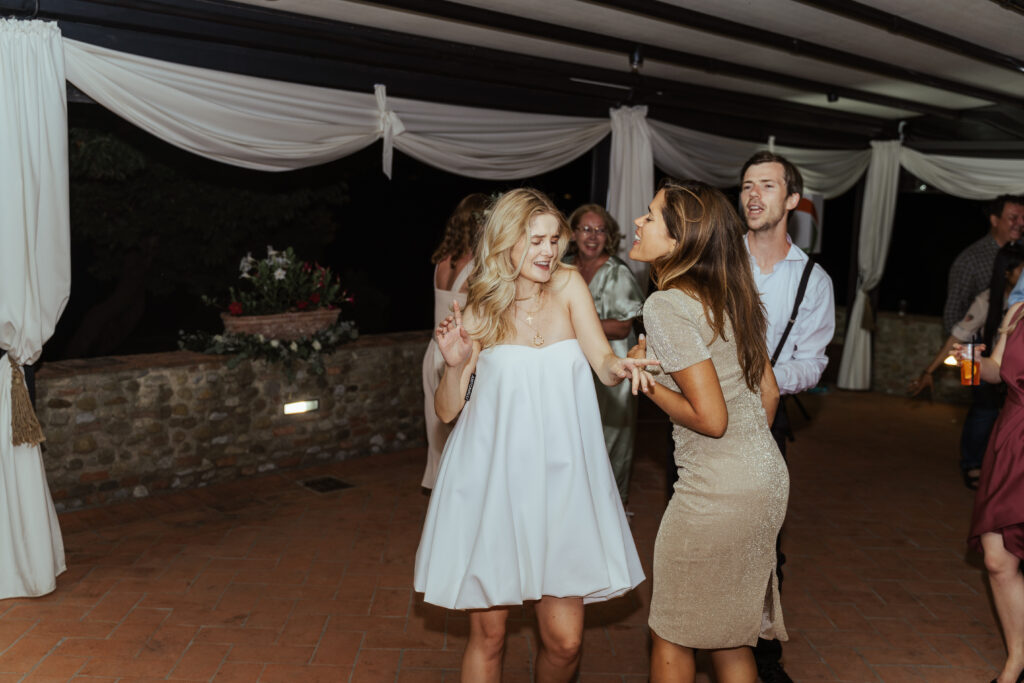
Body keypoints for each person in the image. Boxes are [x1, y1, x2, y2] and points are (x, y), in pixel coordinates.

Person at [414, 188, 651, 683]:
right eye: (536, 241)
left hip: (562, 483)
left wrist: (623, 365)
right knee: (490, 637)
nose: (549, 251)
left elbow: (601, 361)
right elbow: (447, 410)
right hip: (493, 483)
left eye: (553, 240)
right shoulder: (479, 307)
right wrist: (454, 366)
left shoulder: (568, 285)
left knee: (565, 644)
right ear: (507, 242)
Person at [628, 179, 788, 683]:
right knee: (729, 636)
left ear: (681, 239)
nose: (638, 222)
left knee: (673, 634)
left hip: (716, 491)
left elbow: (712, 420)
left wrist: (647, 385)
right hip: (764, 477)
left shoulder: (666, 304)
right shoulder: (731, 294)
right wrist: (745, 461)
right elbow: (769, 394)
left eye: (651, 216)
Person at [739, 151, 835, 683]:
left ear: (792, 199)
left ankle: (762, 656)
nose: (753, 195)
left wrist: (765, 380)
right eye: (747, 185)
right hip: (699, 418)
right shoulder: (719, 260)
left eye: (767, 185)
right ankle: (696, 643)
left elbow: (813, 361)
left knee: (763, 545)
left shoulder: (813, 279)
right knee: (698, 540)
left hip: (765, 421)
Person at [909, 244, 1024, 484]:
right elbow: (957, 336)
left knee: (993, 413)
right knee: (983, 410)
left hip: (1010, 370)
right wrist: (930, 371)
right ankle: (972, 463)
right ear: (1007, 272)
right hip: (984, 360)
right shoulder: (987, 300)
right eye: (1021, 270)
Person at [564, 203, 644, 503]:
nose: (593, 236)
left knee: (611, 438)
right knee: (575, 434)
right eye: (586, 229)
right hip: (575, 365)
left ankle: (612, 504)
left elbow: (622, 327)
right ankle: (578, 503)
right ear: (573, 234)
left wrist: (572, 326)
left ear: (608, 236)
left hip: (613, 365)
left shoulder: (617, 272)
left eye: (600, 230)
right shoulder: (563, 267)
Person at [962, 299, 1024, 683]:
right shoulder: (1019, 312)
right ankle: (1017, 660)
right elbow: (998, 370)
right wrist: (970, 361)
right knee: (997, 558)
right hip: (1011, 440)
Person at [421, 193, 490, 489]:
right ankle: (457, 489)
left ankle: (436, 483)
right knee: (462, 426)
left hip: (433, 351)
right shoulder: (478, 268)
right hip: (456, 354)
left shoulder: (443, 261)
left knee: (436, 424)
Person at [944, 195, 1024, 334]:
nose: (1021, 223)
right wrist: (963, 344)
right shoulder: (971, 259)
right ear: (994, 220)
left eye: (1023, 218)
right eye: (1013, 218)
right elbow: (953, 312)